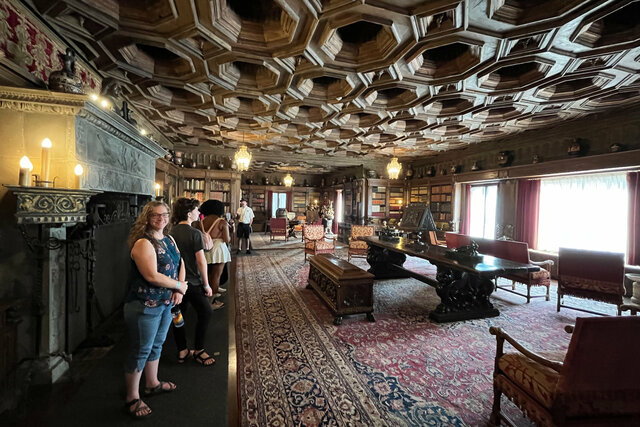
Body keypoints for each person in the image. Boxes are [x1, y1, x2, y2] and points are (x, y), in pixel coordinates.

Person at [123, 201, 186, 419]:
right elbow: (151, 276)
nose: (162, 219)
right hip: (144, 305)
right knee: (141, 349)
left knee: (156, 345)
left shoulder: (169, 239)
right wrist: (178, 286)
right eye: (156, 215)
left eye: (165, 215)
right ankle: (132, 396)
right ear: (147, 218)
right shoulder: (143, 242)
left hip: (166, 303)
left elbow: (180, 263)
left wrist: (179, 289)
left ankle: (152, 384)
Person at [169, 198, 216, 366]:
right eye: (197, 210)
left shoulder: (170, 232)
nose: (199, 213)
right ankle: (199, 350)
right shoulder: (194, 233)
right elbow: (201, 261)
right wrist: (206, 284)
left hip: (174, 283)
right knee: (206, 312)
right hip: (192, 282)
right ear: (189, 214)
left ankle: (182, 350)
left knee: (178, 316)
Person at [200, 199, 231, 309]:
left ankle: (207, 296)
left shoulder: (201, 222)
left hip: (206, 249)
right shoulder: (222, 222)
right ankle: (211, 302)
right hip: (218, 249)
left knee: (207, 275)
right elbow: (227, 239)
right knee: (216, 276)